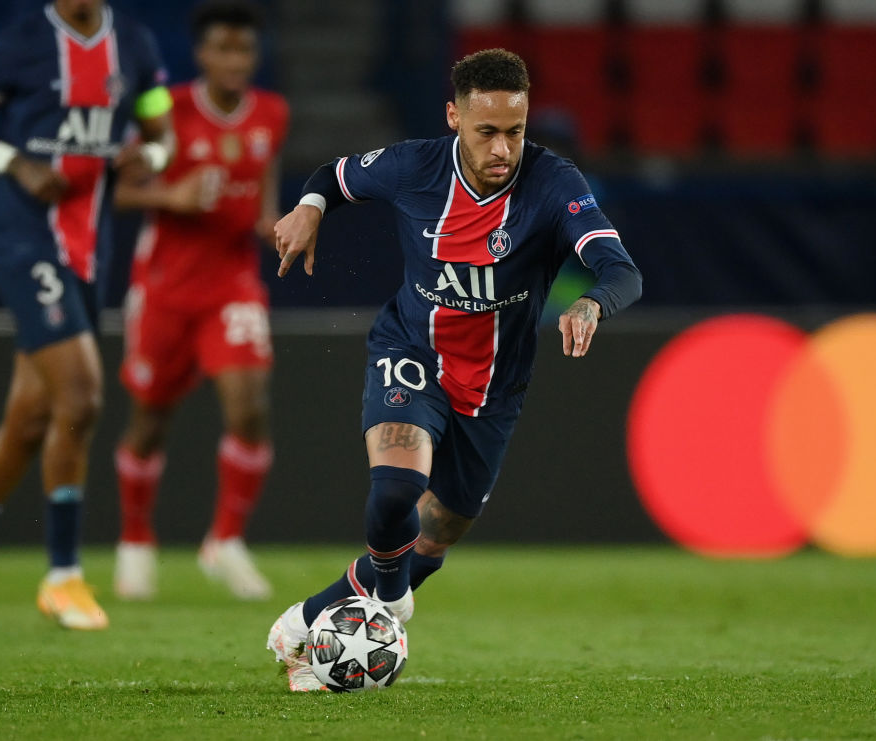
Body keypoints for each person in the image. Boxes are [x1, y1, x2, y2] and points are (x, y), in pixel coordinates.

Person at [267, 48, 642, 690]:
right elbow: (334, 176)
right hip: (411, 351)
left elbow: (622, 271)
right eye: (487, 131)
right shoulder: (414, 165)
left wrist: (591, 302)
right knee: (396, 490)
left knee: (436, 536)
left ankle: (315, 616)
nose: (503, 149)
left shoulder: (553, 183)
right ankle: (385, 608)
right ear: (454, 118)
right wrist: (310, 206)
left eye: (515, 131)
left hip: (495, 387)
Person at [0, 0, 174, 632]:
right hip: (25, 242)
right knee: (82, 397)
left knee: (29, 420)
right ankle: (63, 576)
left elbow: (163, 132)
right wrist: (13, 163)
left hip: (88, 254)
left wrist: (150, 159)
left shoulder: (136, 44)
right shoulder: (23, 41)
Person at [112, 0, 289, 601]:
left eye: (245, 49)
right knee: (149, 420)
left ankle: (226, 541)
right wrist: (173, 196)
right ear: (202, 54)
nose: (236, 60)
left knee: (250, 407)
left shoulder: (272, 113)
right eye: (224, 49)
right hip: (165, 285)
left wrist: (276, 224)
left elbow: (264, 191)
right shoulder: (168, 111)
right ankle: (136, 541)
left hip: (232, 283)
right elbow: (118, 192)